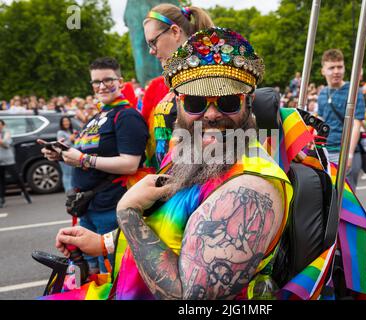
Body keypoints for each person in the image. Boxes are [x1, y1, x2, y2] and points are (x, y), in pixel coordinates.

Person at [52, 27, 293, 300]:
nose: (211, 115)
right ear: (178, 105)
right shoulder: (188, 153)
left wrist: (128, 212)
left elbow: (189, 298)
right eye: (194, 103)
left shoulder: (251, 188)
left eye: (227, 102)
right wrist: (103, 242)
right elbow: (168, 225)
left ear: (248, 103)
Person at [40, 57, 149, 275]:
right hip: (88, 207)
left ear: (120, 81)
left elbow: (130, 164)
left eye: (108, 80)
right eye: (96, 82)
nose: (101, 86)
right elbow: (87, 154)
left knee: (113, 276)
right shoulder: (98, 116)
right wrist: (61, 155)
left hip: (112, 208)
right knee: (90, 275)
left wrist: (81, 159)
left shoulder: (127, 116)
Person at [141, 3, 214, 169]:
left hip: (197, 188)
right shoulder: (176, 82)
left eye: (153, 42)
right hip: (171, 186)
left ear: (175, 32)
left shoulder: (209, 77)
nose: (151, 51)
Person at [317, 49, 366, 188]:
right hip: (326, 151)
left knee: (346, 200)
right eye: (331, 68)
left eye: (340, 67)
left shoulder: (354, 91)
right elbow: (320, 122)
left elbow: (356, 124)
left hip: (345, 151)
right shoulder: (322, 93)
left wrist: (348, 154)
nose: (336, 71)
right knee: (328, 197)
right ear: (323, 71)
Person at [0, 120, 32, 208]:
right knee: (1, 181)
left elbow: (6, 144)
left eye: (0, 125)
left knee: (17, 179)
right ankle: (2, 199)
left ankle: (26, 195)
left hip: (8, 160)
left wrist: (1, 141)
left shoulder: (7, 133)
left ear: (3, 125)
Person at [57, 116, 77, 192]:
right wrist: (70, 139)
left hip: (74, 155)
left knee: (73, 173)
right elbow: (61, 145)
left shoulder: (73, 131)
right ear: (61, 123)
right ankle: (68, 191)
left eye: (67, 121)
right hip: (65, 155)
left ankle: (74, 190)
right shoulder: (60, 132)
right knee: (67, 174)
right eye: (64, 121)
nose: (66, 123)